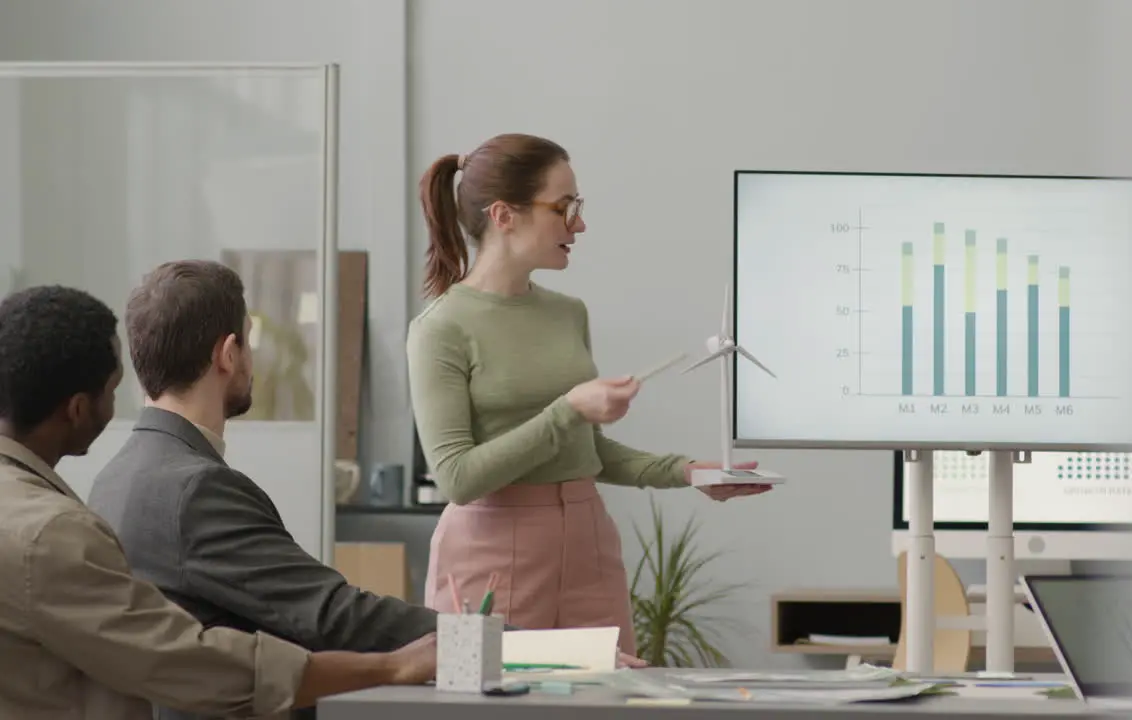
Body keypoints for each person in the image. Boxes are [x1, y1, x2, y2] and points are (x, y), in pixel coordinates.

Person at [0, 285, 438, 720]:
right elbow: (315, 620)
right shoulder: (67, 525)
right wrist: (416, 658)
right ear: (228, 354)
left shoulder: (111, 476)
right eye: (110, 393)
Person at [408, 133, 772, 655]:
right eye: (564, 207)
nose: (579, 224)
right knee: (491, 704)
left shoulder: (567, 313)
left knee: (609, 700)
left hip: (587, 542)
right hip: (488, 551)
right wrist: (569, 410)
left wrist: (690, 472)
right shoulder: (440, 329)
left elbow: (586, 452)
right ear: (504, 215)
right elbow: (458, 478)